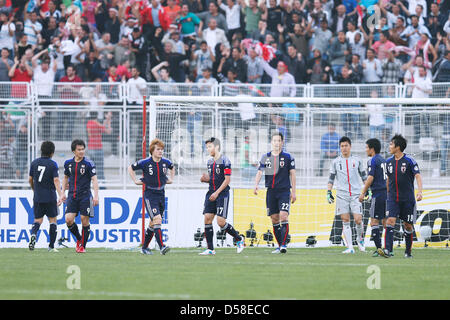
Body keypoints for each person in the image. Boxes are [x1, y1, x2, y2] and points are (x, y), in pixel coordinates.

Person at [128, 138, 174, 255]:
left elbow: (172, 167)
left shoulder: (165, 162)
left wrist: (171, 179)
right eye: (158, 149)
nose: (160, 151)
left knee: (153, 223)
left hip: (161, 194)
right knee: (157, 219)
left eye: (162, 150)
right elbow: (131, 168)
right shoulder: (145, 162)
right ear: (152, 150)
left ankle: (144, 248)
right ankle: (162, 246)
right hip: (150, 195)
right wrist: (135, 180)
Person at [199, 137, 244, 255]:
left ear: (217, 146)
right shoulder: (209, 162)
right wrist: (205, 180)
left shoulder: (225, 161)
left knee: (220, 222)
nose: (208, 149)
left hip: (222, 194)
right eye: (207, 147)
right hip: (211, 193)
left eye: (210, 146)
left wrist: (217, 193)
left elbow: (227, 180)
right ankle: (210, 249)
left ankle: (239, 239)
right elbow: (213, 179)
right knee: (207, 219)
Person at [380, 134, 423, 258]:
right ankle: (388, 250)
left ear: (398, 147)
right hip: (393, 198)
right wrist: (387, 194)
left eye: (391, 144)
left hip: (407, 199)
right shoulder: (388, 162)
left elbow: (418, 176)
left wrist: (420, 192)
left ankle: (408, 252)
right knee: (390, 221)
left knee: (407, 225)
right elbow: (388, 179)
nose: (389, 146)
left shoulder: (409, 161)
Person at [253, 132, 296, 254]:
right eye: (274, 141)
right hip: (271, 192)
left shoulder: (288, 157)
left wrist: (294, 191)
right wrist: (256, 185)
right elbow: (260, 172)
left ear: (282, 142)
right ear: (271, 142)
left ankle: (283, 245)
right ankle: (279, 245)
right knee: (274, 219)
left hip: (284, 191)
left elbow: (292, 174)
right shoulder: (265, 157)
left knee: (283, 216)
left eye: (279, 141)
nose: (277, 143)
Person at [327, 136, 368, 254]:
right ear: (340, 148)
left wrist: (367, 190)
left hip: (356, 194)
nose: (344, 148)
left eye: (346, 146)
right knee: (345, 220)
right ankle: (350, 247)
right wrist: (328, 192)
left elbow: (364, 176)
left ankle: (360, 240)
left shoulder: (357, 160)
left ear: (350, 147)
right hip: (341, 195)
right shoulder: (335, 162)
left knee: (358, 219)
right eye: (342, 146)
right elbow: (331, 179)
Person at [63, 139, 99, 253]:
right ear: (74, 151)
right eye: (79, 150)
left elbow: (94, 179)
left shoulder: (88, 163)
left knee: (84, 220)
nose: (81, 151)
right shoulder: (68, 163)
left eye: (83, 149)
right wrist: (62, 193)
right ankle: (79, 239)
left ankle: (82, 246)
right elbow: (65, 178)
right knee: (68, 220)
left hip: (85, 196)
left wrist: (96, 196)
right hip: (72, 196)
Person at [28, 141, 65, 252]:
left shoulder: (34, 163)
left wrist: (34, 189)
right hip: (50, 197)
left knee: (38, 220)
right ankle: (51, 246)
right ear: (52, 153)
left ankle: (34, 235)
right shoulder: (52, 164)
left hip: (38, 197)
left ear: (41, 151)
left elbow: (30, 179)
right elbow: (56, 180)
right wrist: (61, 194)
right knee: (53, 220)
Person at [358, 138, 387, 257]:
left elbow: (370, 178)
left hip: (378, 193)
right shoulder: (383, 160)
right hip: (387, 193)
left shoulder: (373, 160)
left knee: (374, 221)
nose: (365, 150)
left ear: (372, 149)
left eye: (366, 147)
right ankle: (388, 248)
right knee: (386, 222)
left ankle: (379, 248)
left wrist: (363, 192)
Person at [86, 111, 112, 181]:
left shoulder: (89, 123)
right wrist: (108, 120)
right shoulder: (97, 124)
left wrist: (107, 120)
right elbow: (108, 130)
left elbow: (89, 135)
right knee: (100, 168)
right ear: (97, 116)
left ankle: (90, 183)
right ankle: (102, 185)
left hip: (91, 147)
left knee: (91, 167)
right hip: (97, 148)